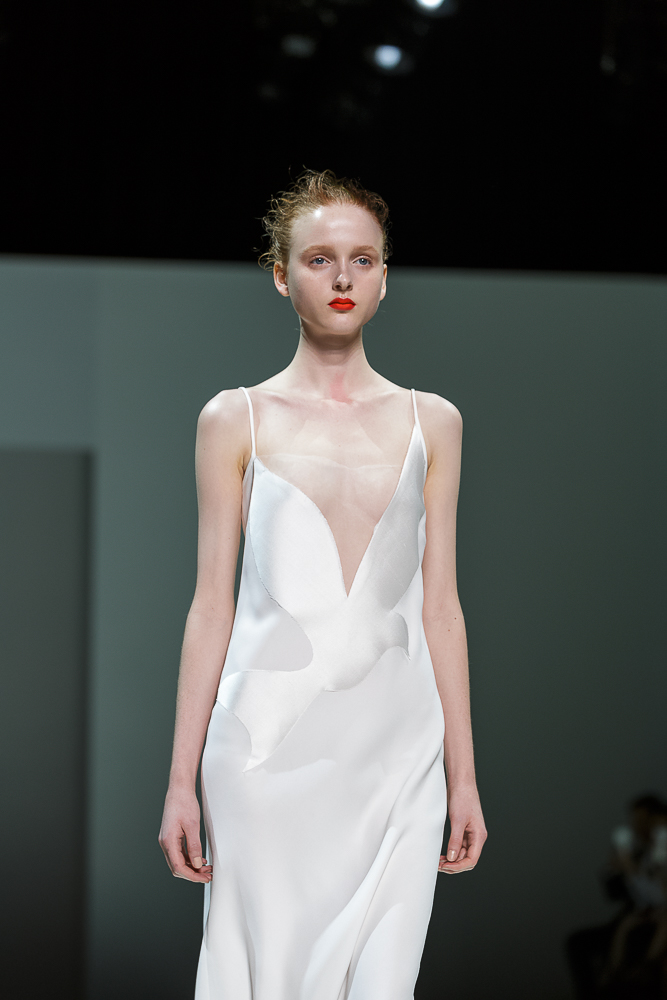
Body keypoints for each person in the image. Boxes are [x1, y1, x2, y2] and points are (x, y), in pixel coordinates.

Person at [158, 169, 487, 999]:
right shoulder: (234, 418)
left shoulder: (433, 421)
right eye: (318, 259)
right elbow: (211, 605)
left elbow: (441, 608)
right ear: (280, 275)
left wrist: (463, 776)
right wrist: (179, 782)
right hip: (263, 755)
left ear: (384, 276)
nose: (342, 277)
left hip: (398, 757)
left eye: (362, 259)